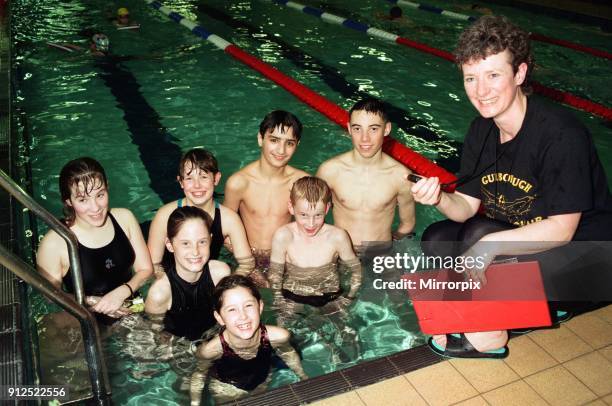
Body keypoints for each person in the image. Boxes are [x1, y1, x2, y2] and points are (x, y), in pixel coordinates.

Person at [412, 15, 612, 358]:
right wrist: (439, 198)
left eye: (493, 75)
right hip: (530, 244)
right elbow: (465, 206)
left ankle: (517, 320)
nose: (481, 91)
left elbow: (562, 231)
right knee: (438, 239)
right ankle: (507, 310)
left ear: (519, 73)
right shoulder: (481, 130)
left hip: (588, 257)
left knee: (479, 240)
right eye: (471, 78)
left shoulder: (561, 135)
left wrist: (488, 247)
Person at [37, 157, 153, 319]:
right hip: (86, 314)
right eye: (83, 199)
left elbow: (146, 270)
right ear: (68, 201)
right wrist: (94, 302)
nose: (95, 207)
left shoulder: (124, 218)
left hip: (132, 304)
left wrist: (123, 292)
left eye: (100, 195)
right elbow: (50, 296)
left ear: (107, 188)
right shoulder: (54, 243)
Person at [316, 98, 416, 254]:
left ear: (387, 129)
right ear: (349, 129)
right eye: (357, 129)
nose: (365, 138)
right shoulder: (329, 171)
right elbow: (309, 216)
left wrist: (387, 249)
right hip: (340, 253)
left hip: (380, 255)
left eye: (373, 129)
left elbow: (407, 224)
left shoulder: (401, 176)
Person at [189, 275, 307, 405]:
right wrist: (195, 402)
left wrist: (303, 377)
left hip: (263, 380)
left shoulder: (279, 336)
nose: (243, 316)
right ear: (220, 317)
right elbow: (199, 373)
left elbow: (288, 353)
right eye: (232, 309)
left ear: (260, 307)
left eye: (248, 305)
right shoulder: (211, 350)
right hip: (227, 388)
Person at [223, 111, 309, 284]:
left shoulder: (301, 183)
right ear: (260, 139)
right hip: (246, 255)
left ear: (297, 145)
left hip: (285, 257)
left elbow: (312, 225)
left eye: (289, 143)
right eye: (274, 140)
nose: (281, 150)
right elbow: (224, 231)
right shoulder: (239, 183)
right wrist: (249, 264)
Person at [147, 148, 254, 278]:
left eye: (203, 177)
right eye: (189, 178)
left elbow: (246, 263)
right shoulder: (164, 216)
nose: (197, 186)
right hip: (172, 275)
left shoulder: (229, 219)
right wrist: (171, 285)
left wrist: (227, 287)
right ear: (181, 182)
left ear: (216, 178)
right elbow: (153, 263)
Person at [269, 176, 362, 311]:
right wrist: (278, 298)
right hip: (293, 294)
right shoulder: (284, 236)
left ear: (327, 209)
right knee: (285, 329)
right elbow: (275, 272)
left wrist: (349, 297)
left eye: (318, 215)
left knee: (344, 330)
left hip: (330, 294)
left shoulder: (337, 237)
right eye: (304, 215)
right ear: (291, 207)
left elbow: (356, 269)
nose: (311, 224)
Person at [145, 206, 231, 341]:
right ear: (169, 245)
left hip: (216, 340)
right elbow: (156, 334)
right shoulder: (160, 293)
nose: (195, 252)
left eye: (202, 242)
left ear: (210, 239)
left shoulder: (220, 273)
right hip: (181, 348)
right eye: (186, 243)